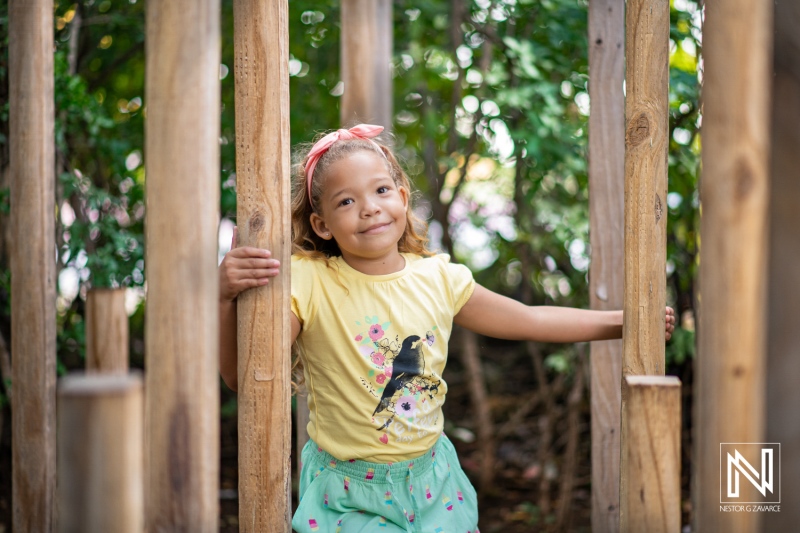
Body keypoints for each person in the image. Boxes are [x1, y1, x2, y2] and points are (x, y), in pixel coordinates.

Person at [218, 124, 676, 532]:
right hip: (347, 492)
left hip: (434, 481)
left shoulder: (439, 277)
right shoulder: (308, 280)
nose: (369, 209)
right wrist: (224, 299)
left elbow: (531, 319)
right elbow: (246, 377)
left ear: (402, 196)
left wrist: (627, 323)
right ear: (321, 224)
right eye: (346, 201)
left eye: (380, 190)